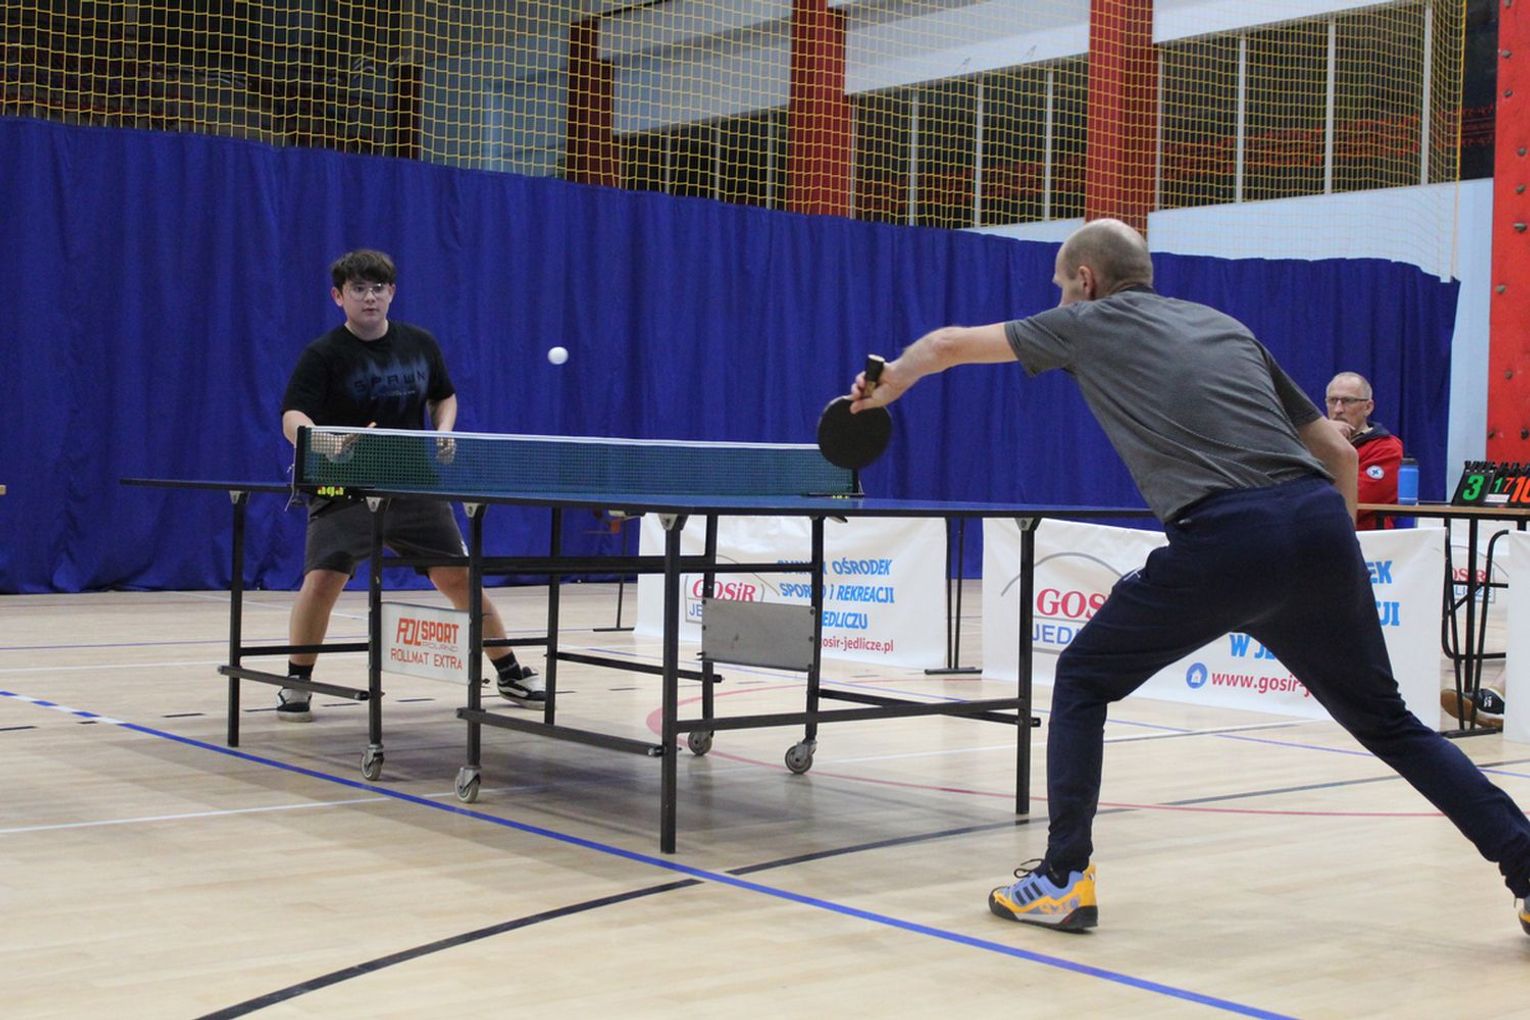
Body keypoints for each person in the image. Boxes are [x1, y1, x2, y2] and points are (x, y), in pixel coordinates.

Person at [847, 219, 1530, 938]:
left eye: (1061, 286)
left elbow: (947, 345)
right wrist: (1324, 555)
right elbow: (1339, 453)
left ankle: (1062, 879)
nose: (1060, 298)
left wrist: (890, 383)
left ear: (1086, 280)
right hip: (1319, 526)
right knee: (1390, 724)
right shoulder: (1226, 327)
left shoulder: (1085, 322)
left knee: (1082, 677)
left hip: (1227, 538)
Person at [278, 249, 541, 721]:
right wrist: (322, 441)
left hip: (414, 483)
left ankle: (509, 671)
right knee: (322, 580)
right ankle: (297, 682)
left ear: (392, 292)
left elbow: (444, 395)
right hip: (346, 488)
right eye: (359, 289)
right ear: (339, 297)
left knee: (459, 578)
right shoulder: (323, 355)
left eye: (378, 288)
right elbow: (292, 416)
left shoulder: (420, 344)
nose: (370, 297)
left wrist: (443, 430)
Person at [1324, 371, 1405, 530]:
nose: (1338, 409)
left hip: (1365, 538)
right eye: (1332, 401)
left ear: (1368, 407)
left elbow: (1351, 499)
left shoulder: (1387, 449)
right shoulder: (1310, 443)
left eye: (1348, 401)